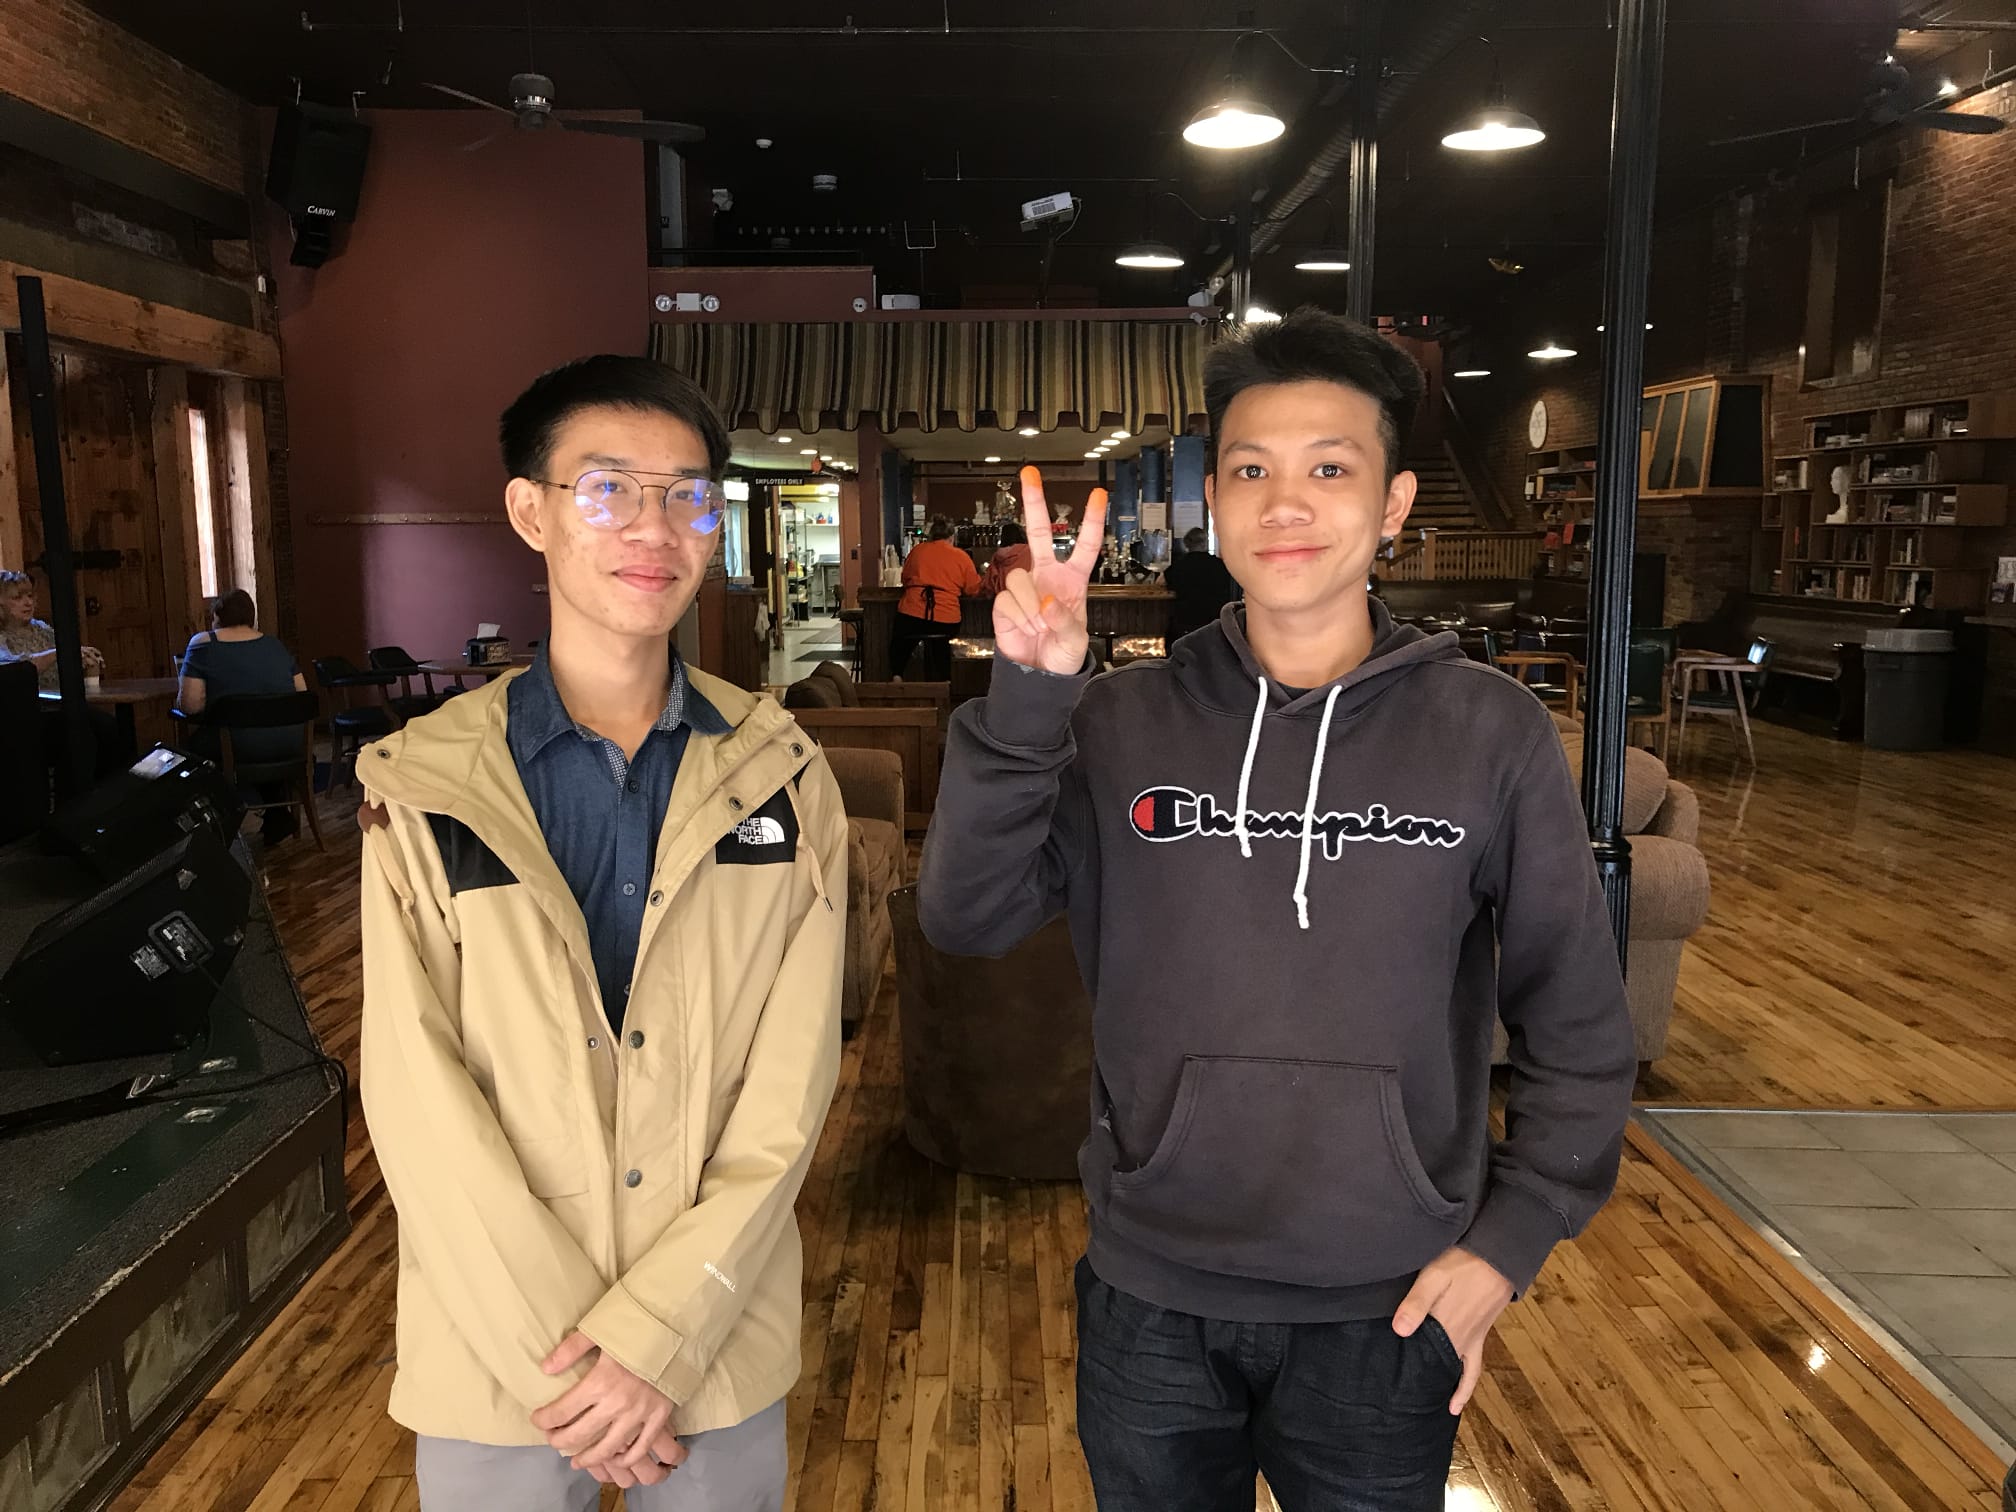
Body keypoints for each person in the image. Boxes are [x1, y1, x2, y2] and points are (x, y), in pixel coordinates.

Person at [917, 308, 1635, 1510]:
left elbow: (1578, 1019)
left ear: (1395, 504)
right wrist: (1031, 696)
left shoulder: (1489, 732)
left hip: (1388, 1306)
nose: (1285, 503)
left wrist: (1507, 1248)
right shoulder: (1121, 721)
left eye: (1329, 470)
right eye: (1251, 470)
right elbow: (967, 915)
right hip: (1153, 1292)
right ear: (1213, 500)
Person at [356, 355, 847, 1512]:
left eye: (688, 496)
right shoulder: (424, 782)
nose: (653, 528)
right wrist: (580, 1366)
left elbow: (789, 1094)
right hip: (500, 1362)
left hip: (717, 1337)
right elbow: (417, 1098)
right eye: (607, 488)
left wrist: (662, 1335)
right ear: (531, 512)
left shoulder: (782, 771)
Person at [177, 588, 309, 838]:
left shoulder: (203, 644)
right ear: (251, 616)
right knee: (256, 737)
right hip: (290, 745)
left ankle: (216, 828)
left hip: (236, 746)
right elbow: (302, 693)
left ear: (217, 617)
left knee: (195, 750)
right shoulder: (275, 645)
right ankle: (275, 814)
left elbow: (190, 706)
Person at [890, 515, 981, 678]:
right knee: (941, 646)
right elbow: (973, 589)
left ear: (931, 536)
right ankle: (943, 683)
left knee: (900, 643)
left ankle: (897, 675)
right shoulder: (961, 557)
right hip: (946, 620)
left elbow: (905, 579)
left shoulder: (917, 551)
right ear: (952, 537)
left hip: (912, 614)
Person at [0, 569, 103, 690]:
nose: (29, 602)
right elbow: (13, 671)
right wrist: (60, 653)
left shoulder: (42, 629)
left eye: (30, 596)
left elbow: (67, 662)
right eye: (17, 598)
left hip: (60, 697)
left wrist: (86, 660)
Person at [1162, 526, 1238, 643]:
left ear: (1186, 545)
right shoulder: (1221, 566)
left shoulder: (1178, 566)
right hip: (1216, 624)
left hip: (1185, 623)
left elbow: (1160, 583)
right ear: (1205, 543)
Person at [982, 520, 1034, 596]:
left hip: (1004, 598)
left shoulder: (997, 557)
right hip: (1028, 597)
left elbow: (989, 585)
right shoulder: (1030, 552)